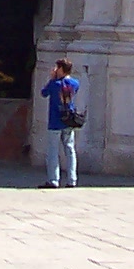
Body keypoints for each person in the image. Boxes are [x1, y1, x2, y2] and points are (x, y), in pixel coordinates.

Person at [39, 59, 79, 189]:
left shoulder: (54, 84)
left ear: (61, 69)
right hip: (68, 120)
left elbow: (44, 93)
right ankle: (72, 179)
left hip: (55, 121)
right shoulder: (75, 83)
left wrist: (52, 78)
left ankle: (53, 180)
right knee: (70, 150)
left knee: (53, 151)